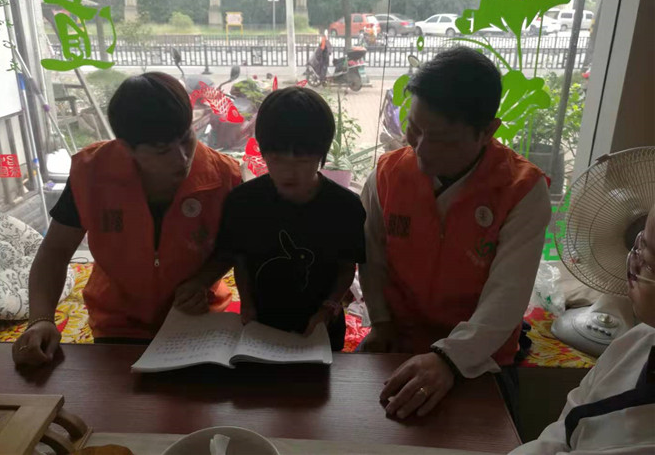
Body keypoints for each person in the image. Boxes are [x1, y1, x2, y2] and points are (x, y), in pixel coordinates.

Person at [359, 46, 552, 419]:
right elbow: (372, 258)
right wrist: (380, 322)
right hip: (398, 340)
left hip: (480, 356)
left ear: (488, 131)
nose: (422, 150)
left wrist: (449, 358)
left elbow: (507, 298)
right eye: (414, 130)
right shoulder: (387, 175)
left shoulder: (522, 191)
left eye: (443, 140)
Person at [12, 72, 241, 366]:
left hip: (197, 316)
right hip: (119, 323)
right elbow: (55, 251)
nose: (182, 159)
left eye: (187, 140)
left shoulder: (224, 175)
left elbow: (232, 248)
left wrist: (202, 280)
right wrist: (40, 320)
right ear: (126, 147)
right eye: (162, 151)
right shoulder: (91, 173)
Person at [177, 87, 366, 351]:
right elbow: (240, 259)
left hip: (320, 330)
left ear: (321, 154)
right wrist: (247, 304)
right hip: (259, 325)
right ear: (263, 152)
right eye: (277, 159)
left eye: (303, 160)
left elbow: (347, 267)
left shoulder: (345, 207)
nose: (290, 172)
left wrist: (329, 307)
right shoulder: (243, 202)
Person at [511, 204, 655, 454]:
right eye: (640, 243)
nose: (634, 260)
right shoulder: (632, 344)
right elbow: (563, 431)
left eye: (649, 260)